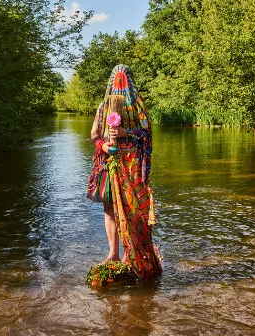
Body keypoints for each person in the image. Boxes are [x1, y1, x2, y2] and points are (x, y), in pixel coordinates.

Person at [87, 64, 162, 279]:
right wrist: (103, 146)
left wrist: (125, 132)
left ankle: (137, 254)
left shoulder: (138, 107)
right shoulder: (104, 106)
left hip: (132, 166)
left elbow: (147, 134)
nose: (120, 84)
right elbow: (93, 133)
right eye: (117, 79)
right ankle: (113, 254)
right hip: (109, 164)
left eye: (124, 79)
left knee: (134, 210)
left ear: (130, 81)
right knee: (109, 208)